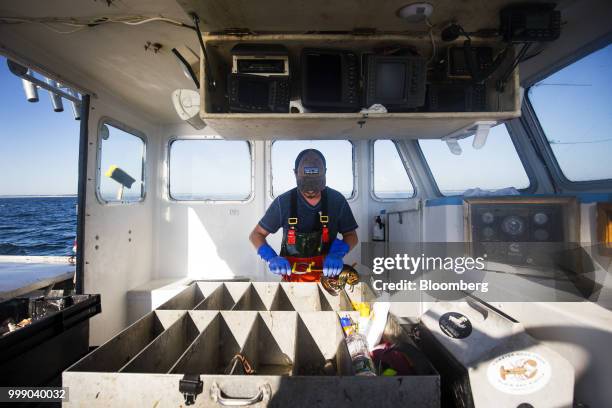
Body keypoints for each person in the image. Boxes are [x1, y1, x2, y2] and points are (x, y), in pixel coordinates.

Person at [249, 149, 359, 282]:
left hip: (329, 280)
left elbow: (351, 236)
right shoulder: (283, 202)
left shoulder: (337, 200)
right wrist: (271, 257)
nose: (311, 191)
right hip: (292, 281)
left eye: (316, 186)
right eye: (306, 186)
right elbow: (256, 234)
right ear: (295, 174)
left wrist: (337, 253)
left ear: (325, 172)